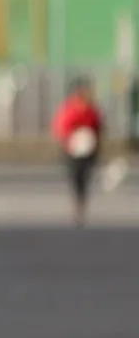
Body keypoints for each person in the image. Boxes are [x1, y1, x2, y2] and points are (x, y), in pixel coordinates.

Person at [50, 77, 104, 227]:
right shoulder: (69, 109)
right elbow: (61, 127)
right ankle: (77, 202)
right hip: (72, 151)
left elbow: (98, 127)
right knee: (74, 176)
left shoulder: (92, 111)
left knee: (85, 177)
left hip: (88, 151)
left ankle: (81, 202)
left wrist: (92, 141)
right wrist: (71, 139)